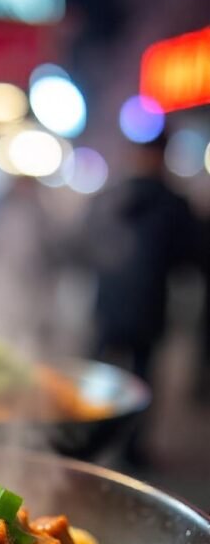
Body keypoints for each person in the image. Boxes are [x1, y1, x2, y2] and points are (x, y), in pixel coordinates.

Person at [86, 133, 198, 384]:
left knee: (96, 376)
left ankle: (99, 424)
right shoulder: (173, 203)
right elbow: (187, 257)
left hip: (108, 304)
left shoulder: (109, 196)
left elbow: (86, 244)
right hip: (149, 307)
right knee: (140, 382)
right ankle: (128, 424)